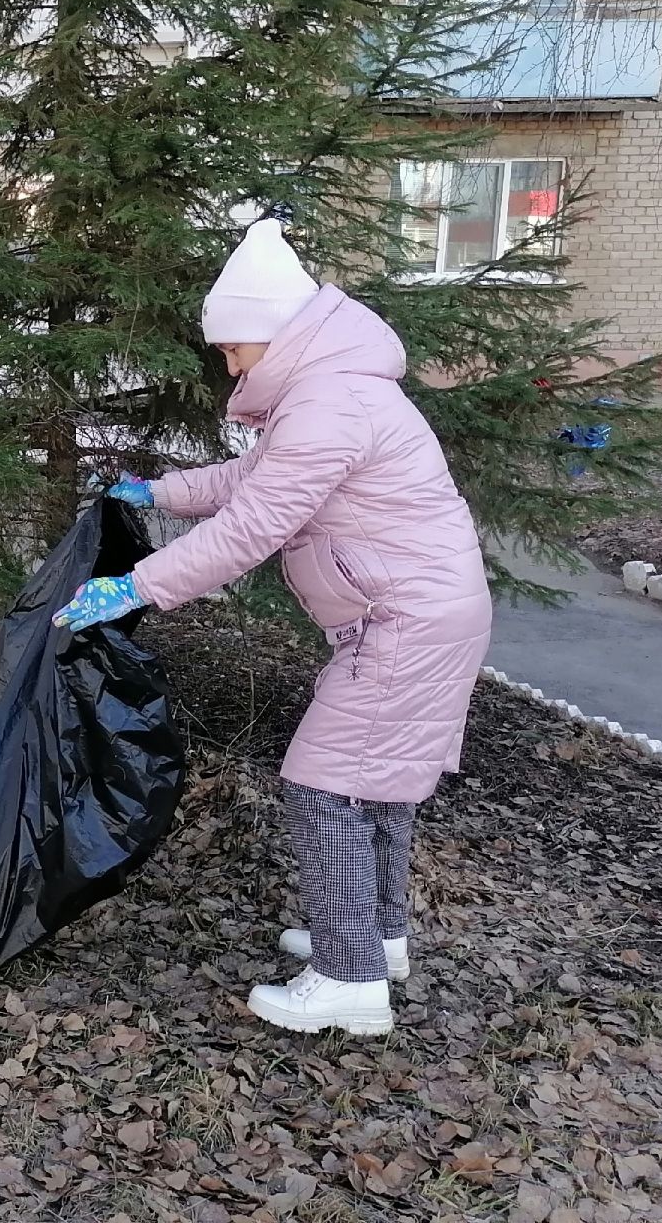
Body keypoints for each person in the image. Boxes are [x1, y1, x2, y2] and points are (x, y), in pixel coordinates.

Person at [53, 217, 492, 1037]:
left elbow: (254, 525)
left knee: (326, 784)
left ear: (277, 334)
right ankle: (375, 938)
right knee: (377, 784)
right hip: (420, 610)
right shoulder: (331, 390)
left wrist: (136, 586)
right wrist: (161, 492)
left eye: (234, 347)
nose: (227, 363)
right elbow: (251, 476)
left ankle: (347, 982)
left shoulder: (331, 400)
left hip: (406, 619)